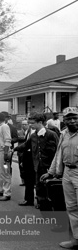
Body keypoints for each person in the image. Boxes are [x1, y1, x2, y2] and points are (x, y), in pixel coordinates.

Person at [41, 107, 78, 249]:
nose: (72, 120)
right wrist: (51, 172)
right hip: (67, 173)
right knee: (71, 208)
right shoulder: (64, 134)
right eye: (69, 118)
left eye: (75, 117)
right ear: (64, 120)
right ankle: (75, 240)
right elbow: (58, 155)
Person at [14, 113, 58, 209]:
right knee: (40, 189)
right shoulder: (34, 136)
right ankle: (43, 209)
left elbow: (59, 152)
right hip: (38, 167)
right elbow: (26, 145)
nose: (30, 125)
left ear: (40, 122)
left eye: (32, 123)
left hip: (50, 168)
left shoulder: (51, 134)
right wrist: (14, 149)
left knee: (51, 191)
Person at [16, 120, 35, 206]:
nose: (25, 125)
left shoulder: (34, 133)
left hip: (32, 159)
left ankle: (32, 200)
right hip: (26, 157)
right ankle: (28, 199)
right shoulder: (28, 132)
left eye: (30, 123)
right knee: (28, 181)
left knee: (32, 181)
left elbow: (27, 145)